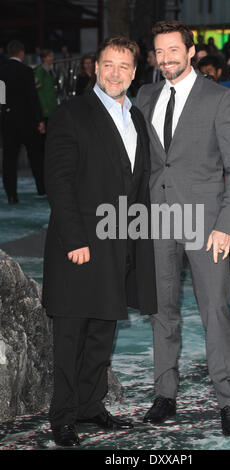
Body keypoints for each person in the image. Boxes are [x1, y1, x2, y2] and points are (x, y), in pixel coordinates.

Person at [43, 36, 157, 447]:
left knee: (102, 331)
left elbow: (139, 185)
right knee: (71, 334)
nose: (114, 73)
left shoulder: (137, 119)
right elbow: (58, 181)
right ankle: (63, 416)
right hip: (79, 246)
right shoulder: (72, 114)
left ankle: (91, 406)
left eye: (123, 66)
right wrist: (75, 238)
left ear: (133, 72)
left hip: (117, 243)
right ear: (95, 66)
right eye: (108, 64)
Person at [136, 20, 230, 436]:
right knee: (161, 313)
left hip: (206, 225)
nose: (165, 60)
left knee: (214, 312)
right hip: (158, 221)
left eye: (172, 51)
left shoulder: (221, 100)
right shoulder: (144, 95)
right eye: (159, 52)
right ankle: (165, 395)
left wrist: (225, 227)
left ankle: (228, 403)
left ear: (191, 50)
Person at [0, 40, 45, 203]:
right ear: (21, 53)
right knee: (35, 156)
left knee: (9, 158)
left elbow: (1, 98)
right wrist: (39, 119)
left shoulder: (2, 71)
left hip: (8, 120)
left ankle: (11, 194)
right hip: (27, 120)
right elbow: (32, 98)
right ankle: (41, 188)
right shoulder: (26, 71)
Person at [34, 49, 57, 121]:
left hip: (52, 101)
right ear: (44, 58)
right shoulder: (40, 70)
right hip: (46, 104)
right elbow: (39, 90)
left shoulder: (50, 70)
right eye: (49, 56)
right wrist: (44, 107)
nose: (52, 58)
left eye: (52, 56)